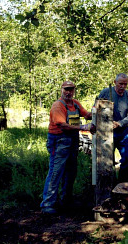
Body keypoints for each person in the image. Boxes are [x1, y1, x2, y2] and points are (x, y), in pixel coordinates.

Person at [40, 81, 95, 215]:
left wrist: (98, 111)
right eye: (66, 89)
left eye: (71, 89)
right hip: (59, 141)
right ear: (61, 90)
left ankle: (66, 201)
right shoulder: (58, 106)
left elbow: (86, 115)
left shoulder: (75, 104)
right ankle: (47, 204)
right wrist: (83, 127)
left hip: (72, 141)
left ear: (74, 90)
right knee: (56, 171)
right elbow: (63, 125)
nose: (68, 92)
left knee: (71, 172)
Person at [97, 73, 128, 183]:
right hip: (106, 133)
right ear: (115, 82)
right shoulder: (105, 92)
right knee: (106, 161)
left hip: (123, 132)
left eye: (125, 84)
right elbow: (96, 109)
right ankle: (107, 185)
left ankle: (122, 184)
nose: (122, 86)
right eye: (120, 84)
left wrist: (119, 123)